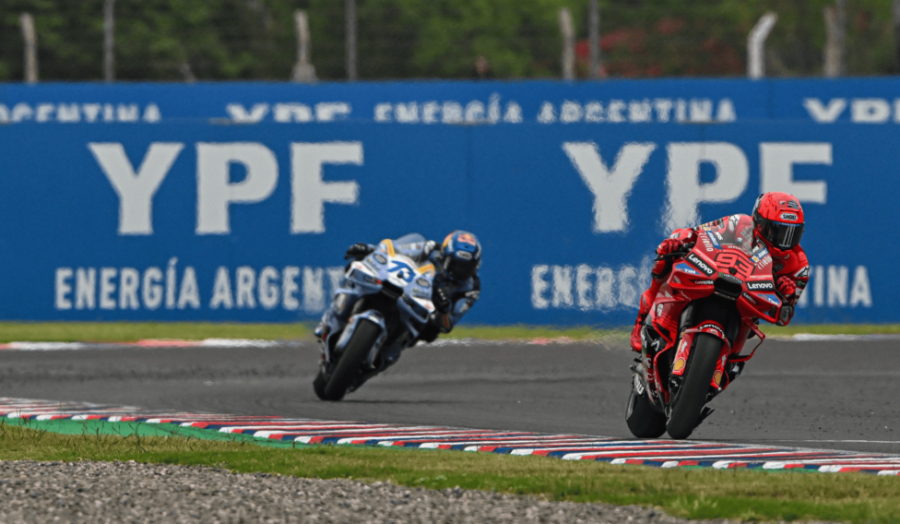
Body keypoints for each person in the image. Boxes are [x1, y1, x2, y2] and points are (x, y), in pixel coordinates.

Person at [630, 192, 810, 351]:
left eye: (792, 234)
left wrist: (786, 297)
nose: (785, 242)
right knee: (665, 259)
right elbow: (699, 233)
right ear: (760, 223)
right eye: (779, 232)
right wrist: (679, 240)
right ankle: (643, 318)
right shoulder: (739, 223)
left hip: (746, 307)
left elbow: (783, 319)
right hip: (719, 277)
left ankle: (728, 363)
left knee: (748, 333)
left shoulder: (799, 267)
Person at [340, 231, 482, 343]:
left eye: (466, 268)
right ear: (444, 256)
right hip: (403, 286)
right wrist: (369, 249)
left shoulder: (471, 288)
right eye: (455, 264)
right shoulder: (430, 248)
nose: (459, 271)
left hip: (423, 312)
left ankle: (389, 350)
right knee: (358, 273)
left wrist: (443, 310)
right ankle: (340, 311)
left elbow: (447, 326)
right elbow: (395, 249)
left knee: (429, 334)